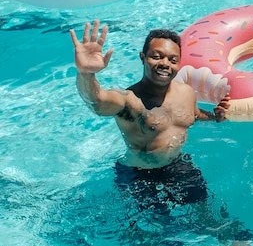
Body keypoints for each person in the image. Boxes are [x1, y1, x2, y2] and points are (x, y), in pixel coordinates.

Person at [72, 20, 230, 206]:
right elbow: (96, 102)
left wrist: (214, 117)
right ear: (142, 57)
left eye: (172, 60)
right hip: (139, 175)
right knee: (157, 224)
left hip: (177, 164)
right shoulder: (129, 100)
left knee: (205, 209)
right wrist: (86, 74)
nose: (165, 64)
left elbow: (193, 114)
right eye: (156, 57)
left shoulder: (186, 92)